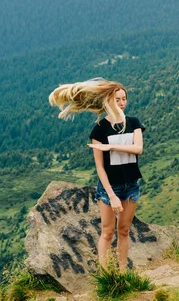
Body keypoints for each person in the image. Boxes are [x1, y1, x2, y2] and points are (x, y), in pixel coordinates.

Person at [48, 78, 145, 271]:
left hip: (131, 185)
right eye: (117, 99)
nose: (122, 103)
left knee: (124, 230)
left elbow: (138, 149)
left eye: (124, 98)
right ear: (108, 101)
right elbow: (100, 168)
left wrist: (111, 146)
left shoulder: (134, 123)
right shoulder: (100, 130)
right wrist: (111, 195)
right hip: (110, 188)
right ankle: (106, 274)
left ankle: (123, 273)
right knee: (107, 232)